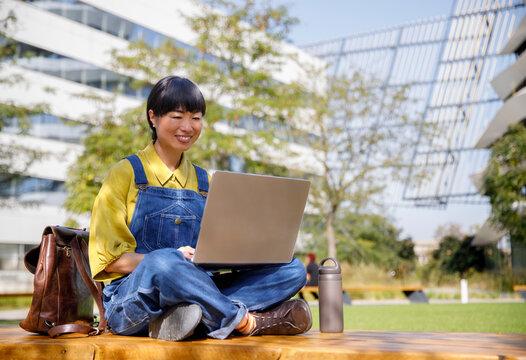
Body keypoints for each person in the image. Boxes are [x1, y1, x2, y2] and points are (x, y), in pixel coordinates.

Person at [88, 75, 312, 341]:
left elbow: (212, 255)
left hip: (198, 288)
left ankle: (188, 319)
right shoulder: (125, 174)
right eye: (177, 116)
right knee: (164, 261)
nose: (188, 126)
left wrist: (245, 253)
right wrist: (173, 258)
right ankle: (245, 321)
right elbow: (110, 261)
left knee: (293, 269)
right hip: (133, 301)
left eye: (195, 118)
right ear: (153, 117)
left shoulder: (204, 181)